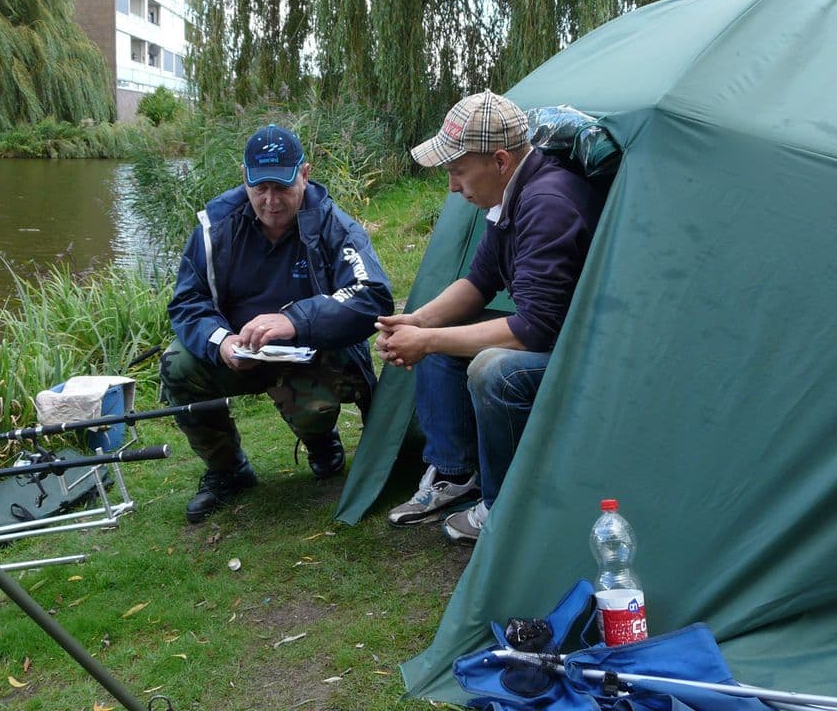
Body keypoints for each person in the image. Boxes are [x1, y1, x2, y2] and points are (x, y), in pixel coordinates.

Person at [376, 90, 604, 544]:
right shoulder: (512, 194)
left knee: (492, 369)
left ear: (500, 161)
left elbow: (534, 330)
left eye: (457, 171)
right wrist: (418, 323)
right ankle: (457, 475)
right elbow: (479, 281)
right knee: (442, 335)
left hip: (591, 355)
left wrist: (429, 341)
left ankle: (503, 508)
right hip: (554, 336)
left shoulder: (548, 202)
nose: (452, 186)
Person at [161, 124, 394, 523]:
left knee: (316, 411)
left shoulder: (335, 225)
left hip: (312, 352)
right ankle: (228, 470)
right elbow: (187, 300)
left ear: (305, 173)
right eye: (260, 187)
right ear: (244, 176)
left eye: (282, 186)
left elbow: (371, 294)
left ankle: (320, 439)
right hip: (241, 351)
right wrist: (221, 342)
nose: (270, 201)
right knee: (178, 364)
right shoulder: (214, 226)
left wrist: (294, 320)